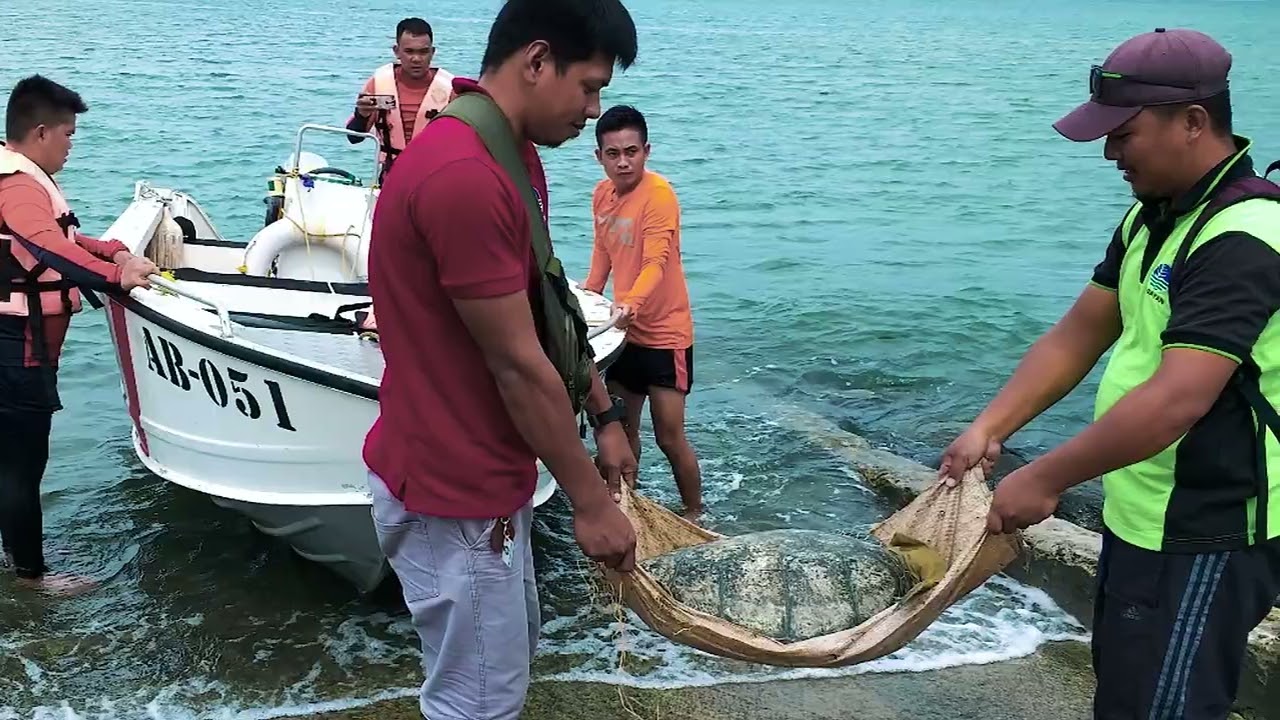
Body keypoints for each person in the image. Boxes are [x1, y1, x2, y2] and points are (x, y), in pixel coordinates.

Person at [937, 28, 1280, 720]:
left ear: (1193, 123)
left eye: (1123, 134)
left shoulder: (1243, 235)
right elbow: (1078, 335)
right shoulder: (1152, 219)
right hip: (1139, 516)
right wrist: (990, 426)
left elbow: (1177, 400)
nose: (1109, 152)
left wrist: (1047, 476)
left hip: (1209, 527)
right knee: (1126, 698)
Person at [360, 0, 640, 717]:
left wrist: (604, 415)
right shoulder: (464, 175)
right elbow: (516, 365)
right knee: (476, 701)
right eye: (588, 87)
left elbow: (549, 302)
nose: (594, 111)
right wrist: (589, 503)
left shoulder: (506, 152)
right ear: (537, 60)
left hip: (485, 478)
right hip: (450, 487)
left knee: (498, 678)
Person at [0, 75, 156, 595]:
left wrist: (110, 248)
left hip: (15, 342)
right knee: (24, 462)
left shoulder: (15, 174)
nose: (72, 145)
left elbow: (63, 235)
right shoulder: (20, 185)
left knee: (13, 460)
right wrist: (117, 276)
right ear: (41, 132)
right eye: (68, 134)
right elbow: (42, 242)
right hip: (17, 346)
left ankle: (18, 551)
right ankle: (31, 577)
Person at [581, 105, 702, 520]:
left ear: (646, 151)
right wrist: (587, 299)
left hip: (666, 336)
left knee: (670, 437)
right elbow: (602, 257)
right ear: (599, 157)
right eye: (613, 154)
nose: (623, 161)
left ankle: (694, 512)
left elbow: (656, 261)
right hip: (623, 336)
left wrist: (632, 301)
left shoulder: (660, 196)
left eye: (631, 151)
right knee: (620, 429)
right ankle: (626, 508)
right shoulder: (601, 195)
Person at [345, 17, 455, 183]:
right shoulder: (379, 83)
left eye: (423, 52)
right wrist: (362, 114)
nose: (416, 59)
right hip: (391, 177)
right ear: (397, 51)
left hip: (435, 178)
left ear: (432, 52)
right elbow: (354, 138)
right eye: (409, 51)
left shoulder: (451, 89)